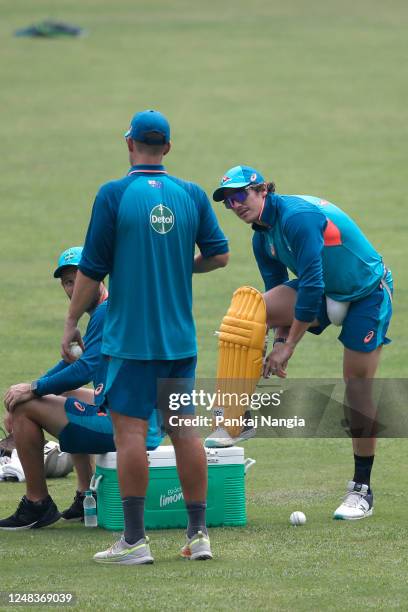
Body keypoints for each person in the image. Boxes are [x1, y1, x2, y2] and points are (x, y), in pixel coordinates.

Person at [61, 110, 229, 564]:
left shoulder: (115, 194)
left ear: (129, 144)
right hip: (180, 342)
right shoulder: (192, 195)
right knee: (186, 433)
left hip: (131, 343)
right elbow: (219, 256)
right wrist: (180, 264)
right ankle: (199, 536)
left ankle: (134, 540)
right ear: (168, 148)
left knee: (130, 433)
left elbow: (92, 270)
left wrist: (72, 320)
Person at [211, 165, 393, 520]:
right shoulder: (261, 236)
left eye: (240, 195)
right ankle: (237, 415)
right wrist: (278, 340)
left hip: (366, 293)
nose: (235, 205)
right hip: (325, 291)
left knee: (357, 390)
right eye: (228, 201)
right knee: (249, 310)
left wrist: (288, 347)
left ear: (261, 189)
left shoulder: (297, 218)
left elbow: (311, 281)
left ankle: (361, 490)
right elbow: (278, 291)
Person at [1, 246, 163, 529]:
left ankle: (37, 503)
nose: (73, 287)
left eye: (80, 278)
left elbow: (84, 370)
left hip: (131, 426)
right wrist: (34, 387)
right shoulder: (107, 308)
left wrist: (32, 390)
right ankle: (85, 495)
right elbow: (72, 362)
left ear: (98, 277)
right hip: (138, 415)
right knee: (50, 395)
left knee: (25, 409)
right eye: (67, 281)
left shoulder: (106, 312)